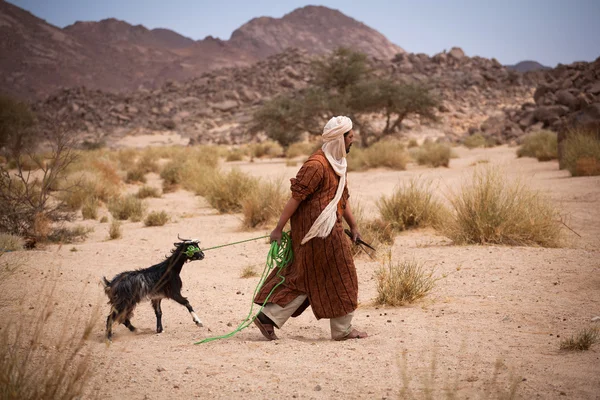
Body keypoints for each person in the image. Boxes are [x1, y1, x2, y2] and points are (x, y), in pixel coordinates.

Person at [253, 116, 368, 341]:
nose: (353, 140)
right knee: (344, 276)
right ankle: (342, 330)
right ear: (339, 139)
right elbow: (296, 198)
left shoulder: (338, 163)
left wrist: (353, 226)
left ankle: (268, 318)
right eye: (350, 136)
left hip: (329, 230)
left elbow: (341, 198)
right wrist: (278, 228)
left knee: (306, 277)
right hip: (317, 234)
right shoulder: (316, 165)